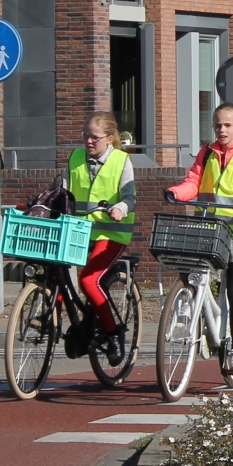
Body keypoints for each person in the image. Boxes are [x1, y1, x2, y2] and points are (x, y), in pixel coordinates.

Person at [166, 103, 233, 375]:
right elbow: (194, 181)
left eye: (227, 125)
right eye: (217, 125)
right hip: (211, 230)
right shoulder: (207, 153)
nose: (221, 129)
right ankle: (191, 316)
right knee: (191, 273)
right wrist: (177, 193)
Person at [57, 111, 137, 358]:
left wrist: (120, 208)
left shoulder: (122, 161)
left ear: (110, 138)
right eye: (85, 136)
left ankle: (114, 334)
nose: (88, 142)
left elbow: (129, 197)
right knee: (55, 268)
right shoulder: (76, 158)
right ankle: (52, 318)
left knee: (89, 280)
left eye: (94, 137)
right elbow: (62, 191)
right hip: (80, 231)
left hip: (110, 234)